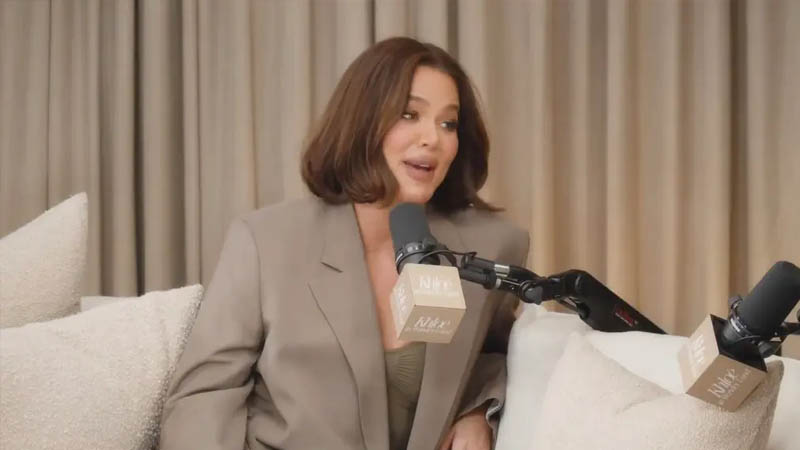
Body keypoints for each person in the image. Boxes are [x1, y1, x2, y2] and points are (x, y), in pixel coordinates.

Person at [159, 36, 529, 450]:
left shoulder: (491, 247)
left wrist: (481, 410)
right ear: (363, 122)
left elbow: (499, 353)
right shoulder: (265, 241)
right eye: (410, 114)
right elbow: (203, 396)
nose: (433, 138)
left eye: (449, 123)